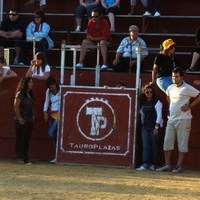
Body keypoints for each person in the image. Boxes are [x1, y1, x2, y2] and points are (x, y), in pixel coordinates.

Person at [156, 67, 200, 173]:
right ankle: (168, 165)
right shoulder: (170, 87)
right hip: (171, 119)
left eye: (176, 76)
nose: (174, 78)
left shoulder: (187, 88)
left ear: (181, 77)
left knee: (182, 143)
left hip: (184, 119)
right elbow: (168, 96)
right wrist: (171, 108)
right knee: (167, 142)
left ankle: (179, 166)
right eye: (173, 76)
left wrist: (189, 107)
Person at [136, 84, 163, 171]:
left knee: (154, 146)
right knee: (146, 146)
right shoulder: (143, 103)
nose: (149, 94)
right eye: (147, 92)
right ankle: (145, 164)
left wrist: (156, 127)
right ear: (144, 93)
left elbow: (159, 115)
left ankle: (153, 164)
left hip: (154, 127)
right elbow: (142, 115)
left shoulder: (157, 102)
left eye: (151, 92)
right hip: (145, 127)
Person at [14, 77, 34, 164]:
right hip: (21, 120)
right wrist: (19, 118)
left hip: (29, 120)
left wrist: (33, 115)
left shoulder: (30, 94)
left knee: (27, 139)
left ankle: (26, 158)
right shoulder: (20, 93)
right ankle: (19, 157)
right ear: (25, 84)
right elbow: (16, 106)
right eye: (30, 82)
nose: (32, 84)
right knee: (21, 139)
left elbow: (31, 106)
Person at [43, 76, 60, 164]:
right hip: (52, 114)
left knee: (52, 133)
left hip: (60, 114)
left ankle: (58, 156)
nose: (51, 87)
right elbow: (46, 102)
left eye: (52, 85)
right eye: (49, 86)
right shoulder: (48, 91)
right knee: (55, 137)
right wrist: (45, 112)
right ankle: (56, 156)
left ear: (55, 83)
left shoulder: (61, 90)